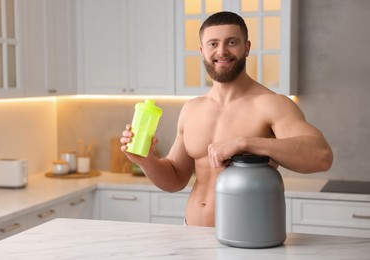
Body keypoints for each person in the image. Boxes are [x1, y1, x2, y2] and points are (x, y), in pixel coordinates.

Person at [120, 11, 333, 227]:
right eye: (213, 44)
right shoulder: (192, 109)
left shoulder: (271, 104)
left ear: (246, 47)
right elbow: (175, 179)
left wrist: (245, 143)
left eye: (231, 42)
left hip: (246, 240)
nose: (222, 51)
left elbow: (322, 156)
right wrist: (146, 160)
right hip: (192, 233)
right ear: (202, 52)